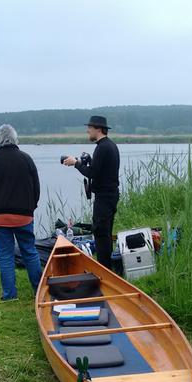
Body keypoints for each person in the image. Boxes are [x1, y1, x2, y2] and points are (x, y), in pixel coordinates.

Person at [0, 124, 43, 300]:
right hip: (24, 215)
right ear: (15, 138)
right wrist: (31, 209)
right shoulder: (26, 159)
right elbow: (36, 189)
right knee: (29, 251)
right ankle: (40, 290)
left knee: (5, 256)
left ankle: (10, 296)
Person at [62, 115, 120, 269]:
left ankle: (105, 269)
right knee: (106, 233)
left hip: (104, 198)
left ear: (98, 129)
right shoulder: (111, 146)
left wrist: (76, 163)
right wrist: (82, 162)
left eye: (90, 127)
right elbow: (99, 171)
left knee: (101, 234)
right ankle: (108, 267)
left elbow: (92, 173)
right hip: (110, 196)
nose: (87, 130)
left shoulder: (102, 148)